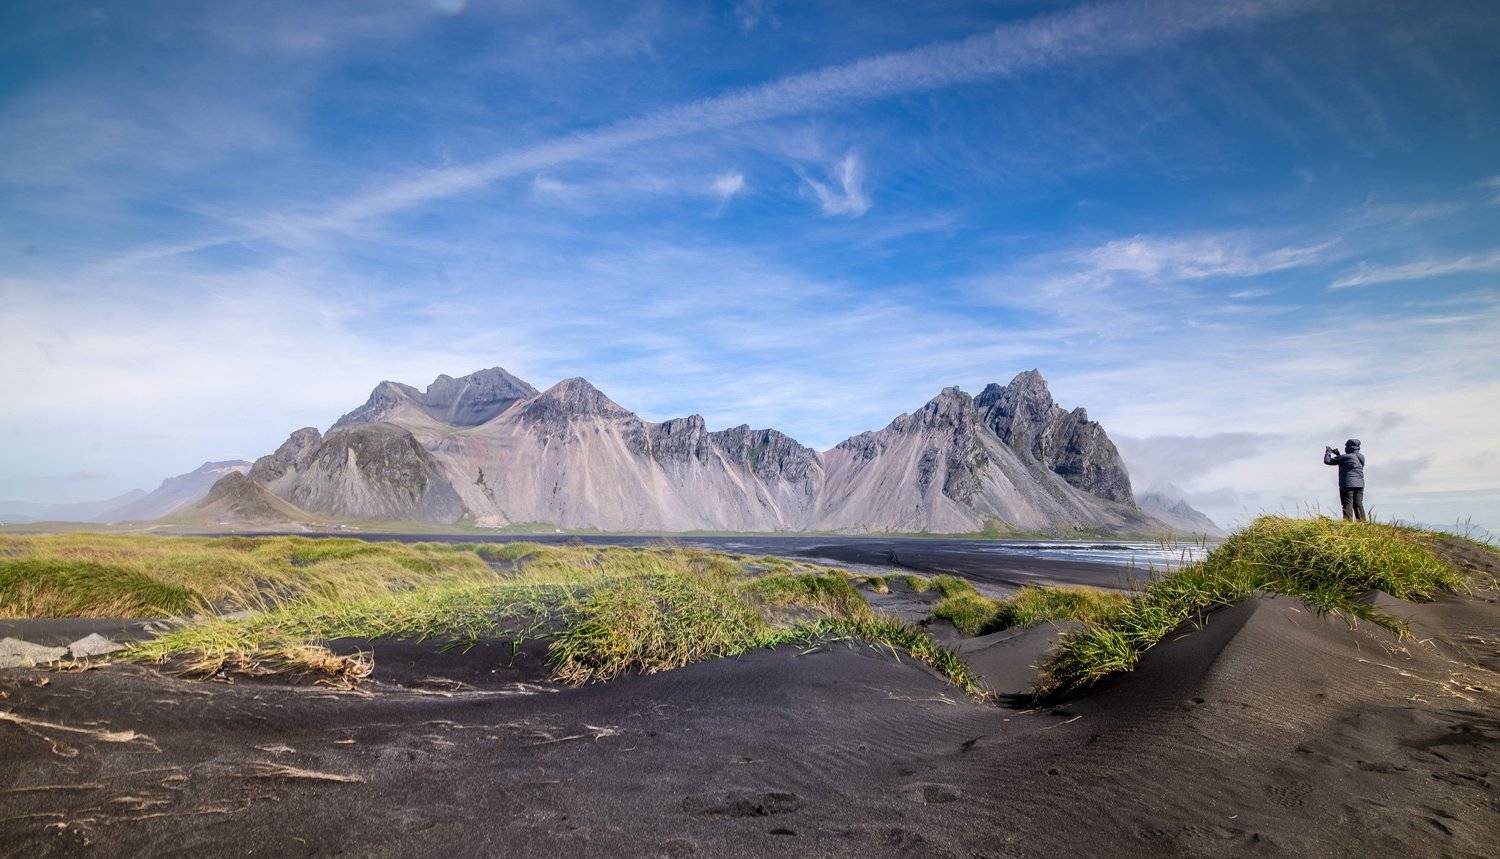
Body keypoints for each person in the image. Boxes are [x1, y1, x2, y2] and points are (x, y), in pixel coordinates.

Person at [1324, 439, 1366, 522]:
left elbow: (1327, 461)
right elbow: (1348, 463)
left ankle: (1348, 524)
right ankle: (1363, 524)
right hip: (1360, 484)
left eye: (1346, 446)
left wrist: (1328, 452)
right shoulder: (1361, 457)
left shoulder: (1346, 457)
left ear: (1349, 447)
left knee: (1347, 505)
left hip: (1347, 484)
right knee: (1358, 504)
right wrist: (1338, 454)